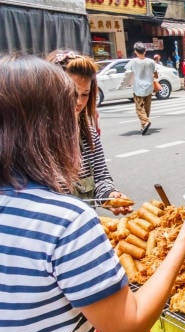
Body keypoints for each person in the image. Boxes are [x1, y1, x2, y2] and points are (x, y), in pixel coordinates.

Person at [0, 52, 185, 332]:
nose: (77, 111)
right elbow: (127, 329)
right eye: (67, 106)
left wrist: (107, 195)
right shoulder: (65, 222)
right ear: (46, 126)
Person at [49, 50, 132, 215]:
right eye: (71, 94)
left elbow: (101, 178)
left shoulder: (88, 134)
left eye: (85, 94)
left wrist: (110, 195)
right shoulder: (32, 140)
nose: (79, 102)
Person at [123, 41, 157, 135]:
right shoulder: (151, 61)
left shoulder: (133, 62)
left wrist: (128, 83)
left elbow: (128, 74)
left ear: (136, 52)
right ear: (145, 51)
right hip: (149, 87)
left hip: (138, 88)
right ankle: (144, 125)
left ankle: (145, 122)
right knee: (147, 108)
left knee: (139, 108)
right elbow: (156, 74)